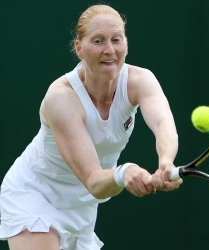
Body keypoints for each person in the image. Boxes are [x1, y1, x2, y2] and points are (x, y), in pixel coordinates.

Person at [0, 4, 183, 250]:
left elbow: (163, 124)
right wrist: (124, 171)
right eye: (98, 41)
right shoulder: (61, 98)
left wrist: (166, 162)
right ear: (79, 49)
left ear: (126, 44)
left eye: (116, 40)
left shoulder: (141, 80)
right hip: (35, 194)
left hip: (83, 208)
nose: (110, 50)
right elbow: (94, 181)